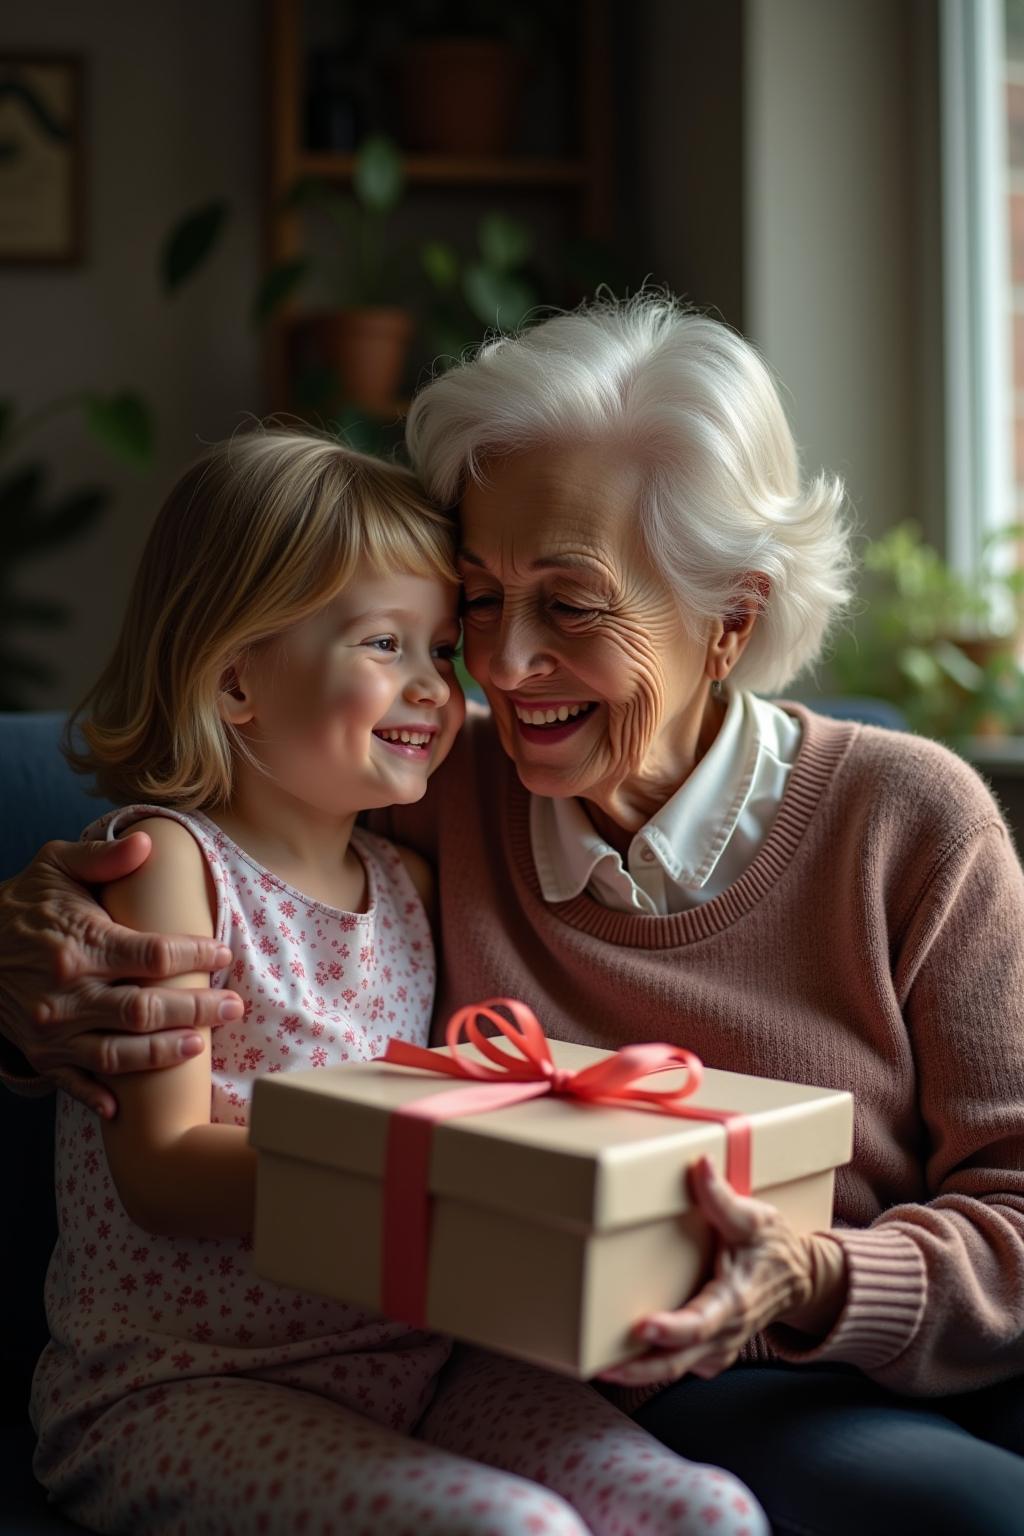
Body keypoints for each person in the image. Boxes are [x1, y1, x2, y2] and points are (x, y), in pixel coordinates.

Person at [3, 295, 1024, 1533]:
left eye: (570, 603)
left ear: (730, 621)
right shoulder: (425, 794)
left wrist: (810, 1280)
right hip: (470, 1365)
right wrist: (38, 946)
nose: (494, 667)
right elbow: (221, 850)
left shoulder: (910, 823)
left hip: (796, 1379)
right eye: (478, 601)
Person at [22, 427, 766, 1536]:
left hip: (414, 1361)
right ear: (235, 679)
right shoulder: (167, 869)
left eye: (437, 648)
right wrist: (446, 1177)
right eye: (383, 644)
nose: (436, 689)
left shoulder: (410, 880)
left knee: (703, 1510)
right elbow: (166, 1173)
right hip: (184, 1387)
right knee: (515, 1529)